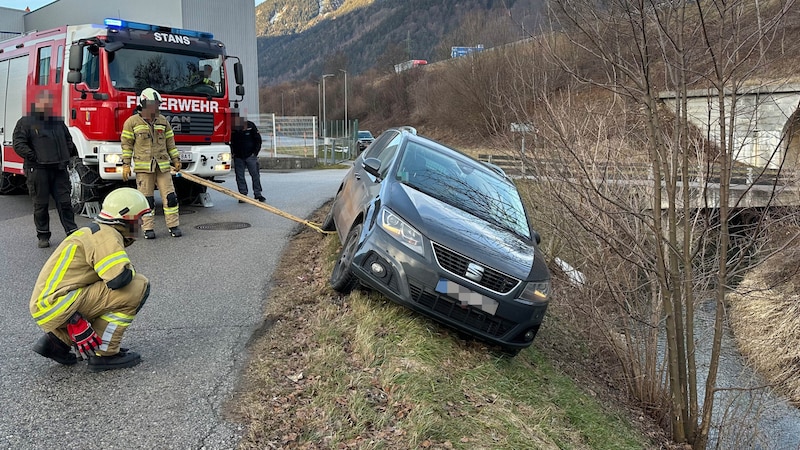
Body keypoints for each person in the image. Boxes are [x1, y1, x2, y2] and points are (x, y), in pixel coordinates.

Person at [30, 187, 151, 372]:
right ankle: (105, 352)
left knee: (102, 288)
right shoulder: (106, 235)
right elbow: (119, 279)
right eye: (140, 218)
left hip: (48, 305)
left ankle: (57, 343)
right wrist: (131, 270)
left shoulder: (93, 231)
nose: (142, 224)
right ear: (125, 216)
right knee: (138, 286)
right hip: (60, 305)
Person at [12, 90, 79, 248]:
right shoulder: (26, 122)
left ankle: (72, 232)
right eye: (45, 102)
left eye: (50, 102)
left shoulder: (57, 122)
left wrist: (67, 155)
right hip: (38, 170)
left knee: (65, 202)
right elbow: (19, 144)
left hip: (59, 169)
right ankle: (43, 235)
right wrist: (34, 157)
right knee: (41, 204)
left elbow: (68, 139)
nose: (48, 105)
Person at [120, 87, 182, 239]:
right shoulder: (132, 122)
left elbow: (170, 143)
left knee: (170, 197)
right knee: (147, 200)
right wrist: (126, 164)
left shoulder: (163, 121)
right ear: (143, 104)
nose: (156, 108)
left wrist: (176, 159)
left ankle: (173, 226)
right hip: (144, 167)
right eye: (153, 104)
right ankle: (148, 228)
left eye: (157, 104)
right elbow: (126, 145)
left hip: (162, 166)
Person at [230, 114, 265, 202]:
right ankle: (243, 194)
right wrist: (233, 153)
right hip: (238, 156)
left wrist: (255, 153)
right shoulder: (232, 128)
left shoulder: (250, 125)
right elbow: (229, 141)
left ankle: (258, 194)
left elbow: (258, 140)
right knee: (240, 176)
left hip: (250, 155)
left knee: (255, 175)